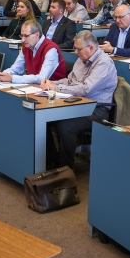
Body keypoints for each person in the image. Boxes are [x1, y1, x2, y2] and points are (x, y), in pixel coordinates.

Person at [41, 31, 118, 169]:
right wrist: (53, 83)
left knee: (65, 127)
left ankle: (65, 170)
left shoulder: (104, 63)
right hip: (77, 104)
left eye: (78, 49)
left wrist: (56, 88)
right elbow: (70, 81)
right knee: (45, 119)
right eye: (75, 48)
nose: (75, 52)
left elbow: (85, 89)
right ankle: (52, 162)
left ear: (91, 48)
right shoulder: (81, 58)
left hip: (97, 109)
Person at [0, 19, 66, 84]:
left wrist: (13, 78)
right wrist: (1, 75)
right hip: (34, 88)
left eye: (26, 36)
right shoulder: (26, 46)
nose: (22, 40)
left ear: (37, 34)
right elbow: (16, 69)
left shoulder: (51, 49)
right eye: (21, 36)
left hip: (54, 92)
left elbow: (42, 78)